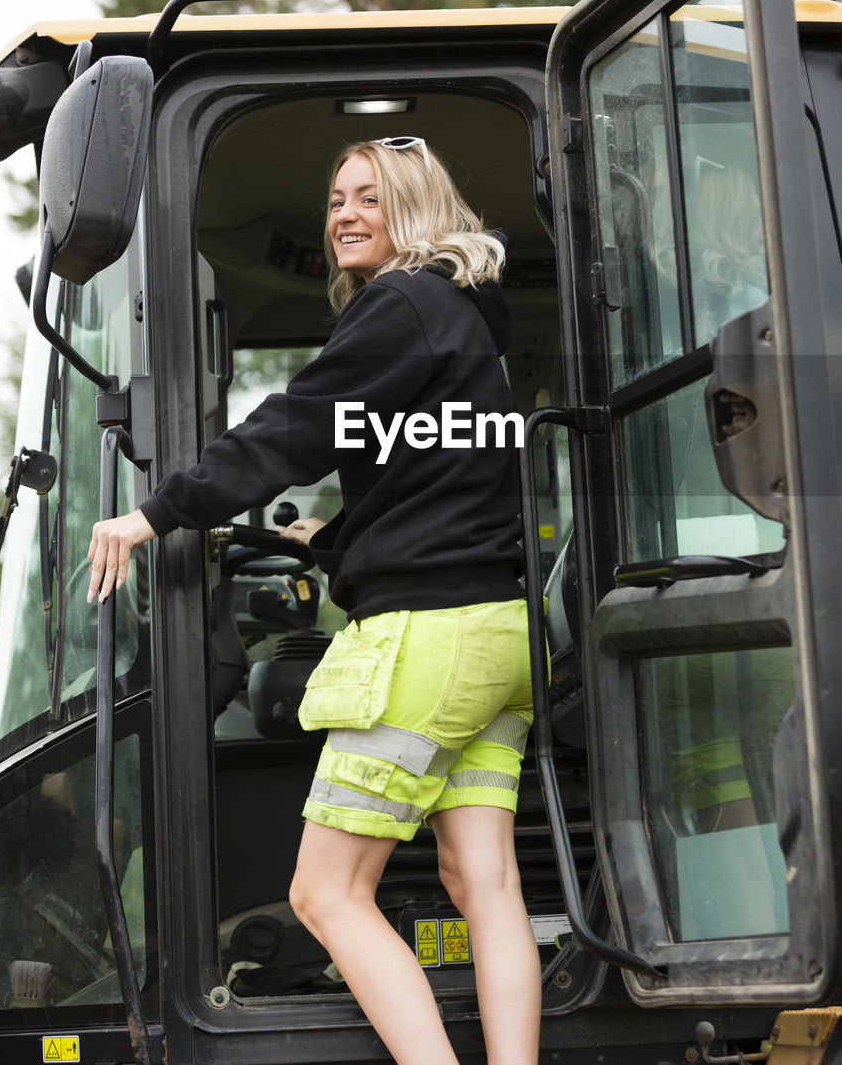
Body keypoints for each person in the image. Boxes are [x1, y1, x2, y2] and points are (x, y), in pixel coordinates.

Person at [87, 137, 541, 1065]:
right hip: (497, 632)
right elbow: (444, 482)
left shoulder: (401, 302)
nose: (343, 214)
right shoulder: (462, 321)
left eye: (369, 198)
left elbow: (295, 427)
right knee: (482, 881)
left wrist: (153, 513)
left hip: (426, 642)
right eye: (335, 198)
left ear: (414, 210)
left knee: (325, 896)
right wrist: (330, 543)